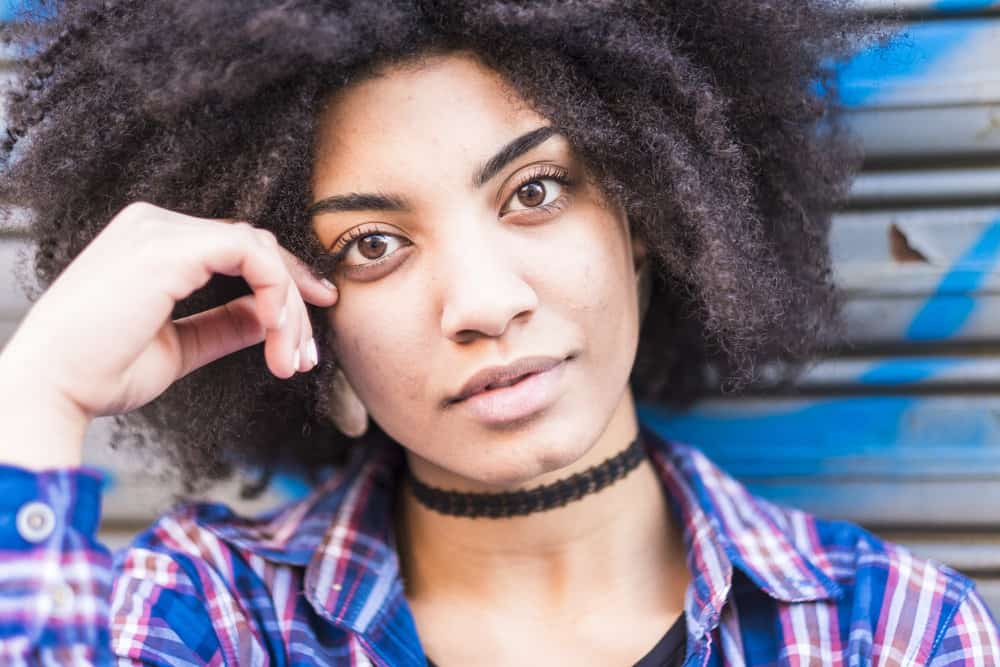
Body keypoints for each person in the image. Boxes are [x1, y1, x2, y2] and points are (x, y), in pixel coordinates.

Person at [0, 1, 996, 665]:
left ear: (646, 221)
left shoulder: (891, 631)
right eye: (375, 243)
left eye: (534, 190)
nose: (482, 300)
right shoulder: (214, 617)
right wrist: (36, 395)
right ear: (302, 316)